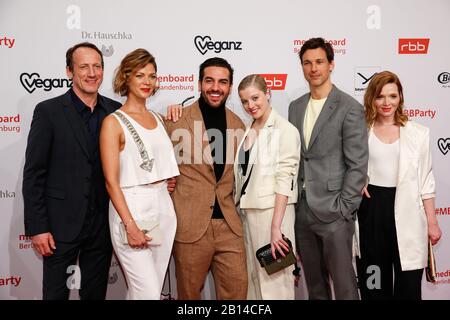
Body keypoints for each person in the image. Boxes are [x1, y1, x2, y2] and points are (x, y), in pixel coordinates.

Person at [22, 42, 121, 300]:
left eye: (97, 66)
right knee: (55, 296)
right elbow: (34, 173)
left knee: (95, 295)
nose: (92, 73)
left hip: (102, 227)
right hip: (58, 227)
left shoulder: (116, 111)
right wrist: (37, 227)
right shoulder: (48, 112)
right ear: (69, 72)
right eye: (84, 67)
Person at [288, 37, 368, 300]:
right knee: (315, 287)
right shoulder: (295, 107)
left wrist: (345, 208)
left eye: (319, 62)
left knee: (345, 288)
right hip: (303, 212)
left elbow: (358, 165)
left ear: (331, 64)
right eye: (307, 63)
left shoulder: (349, 108)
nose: (313, 68)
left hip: (335, 213)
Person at [99, 49, 179, 300]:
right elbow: (111, 182)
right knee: (148, 293)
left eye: (152, 76)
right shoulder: (113, 122)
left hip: (162, 207)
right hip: (131, 208)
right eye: (140, 75)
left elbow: (159, 163)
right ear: (126, 77)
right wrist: (129, 224)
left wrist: (166, 179)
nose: (147, 82)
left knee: (145, 291)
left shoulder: (157, 117)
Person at [165, 57, 247, 299]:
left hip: (229, 226)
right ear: (199, 83)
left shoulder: (239, 125)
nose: (215, 87)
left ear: (230, 87)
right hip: (191, 226)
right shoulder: (177, 119)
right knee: (189, 297)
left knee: (237, 294)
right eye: (209, 80)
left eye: (223, 82)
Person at [356, 70, 442, 300]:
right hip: (371, 211)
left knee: (409, 287)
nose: (387, 103)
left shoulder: (419, 134)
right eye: (380, 96)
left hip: (408, 212)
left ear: (400, 98)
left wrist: (432, 222)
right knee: (373, 282)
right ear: (371, 98)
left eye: (393, 96)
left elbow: (426, 181)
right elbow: (344, 164)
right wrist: (354, 182)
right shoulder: (359, 131)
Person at [234, 74, 300, 299]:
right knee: (254, 285)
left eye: (255, 98)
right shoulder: (248, 128)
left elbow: (285, 180)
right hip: (248, 214)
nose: (250, 105)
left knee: (276, 287)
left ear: (268, 94)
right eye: (244, 101)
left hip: (273, 215)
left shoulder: (285, 130)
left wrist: (276, 228)